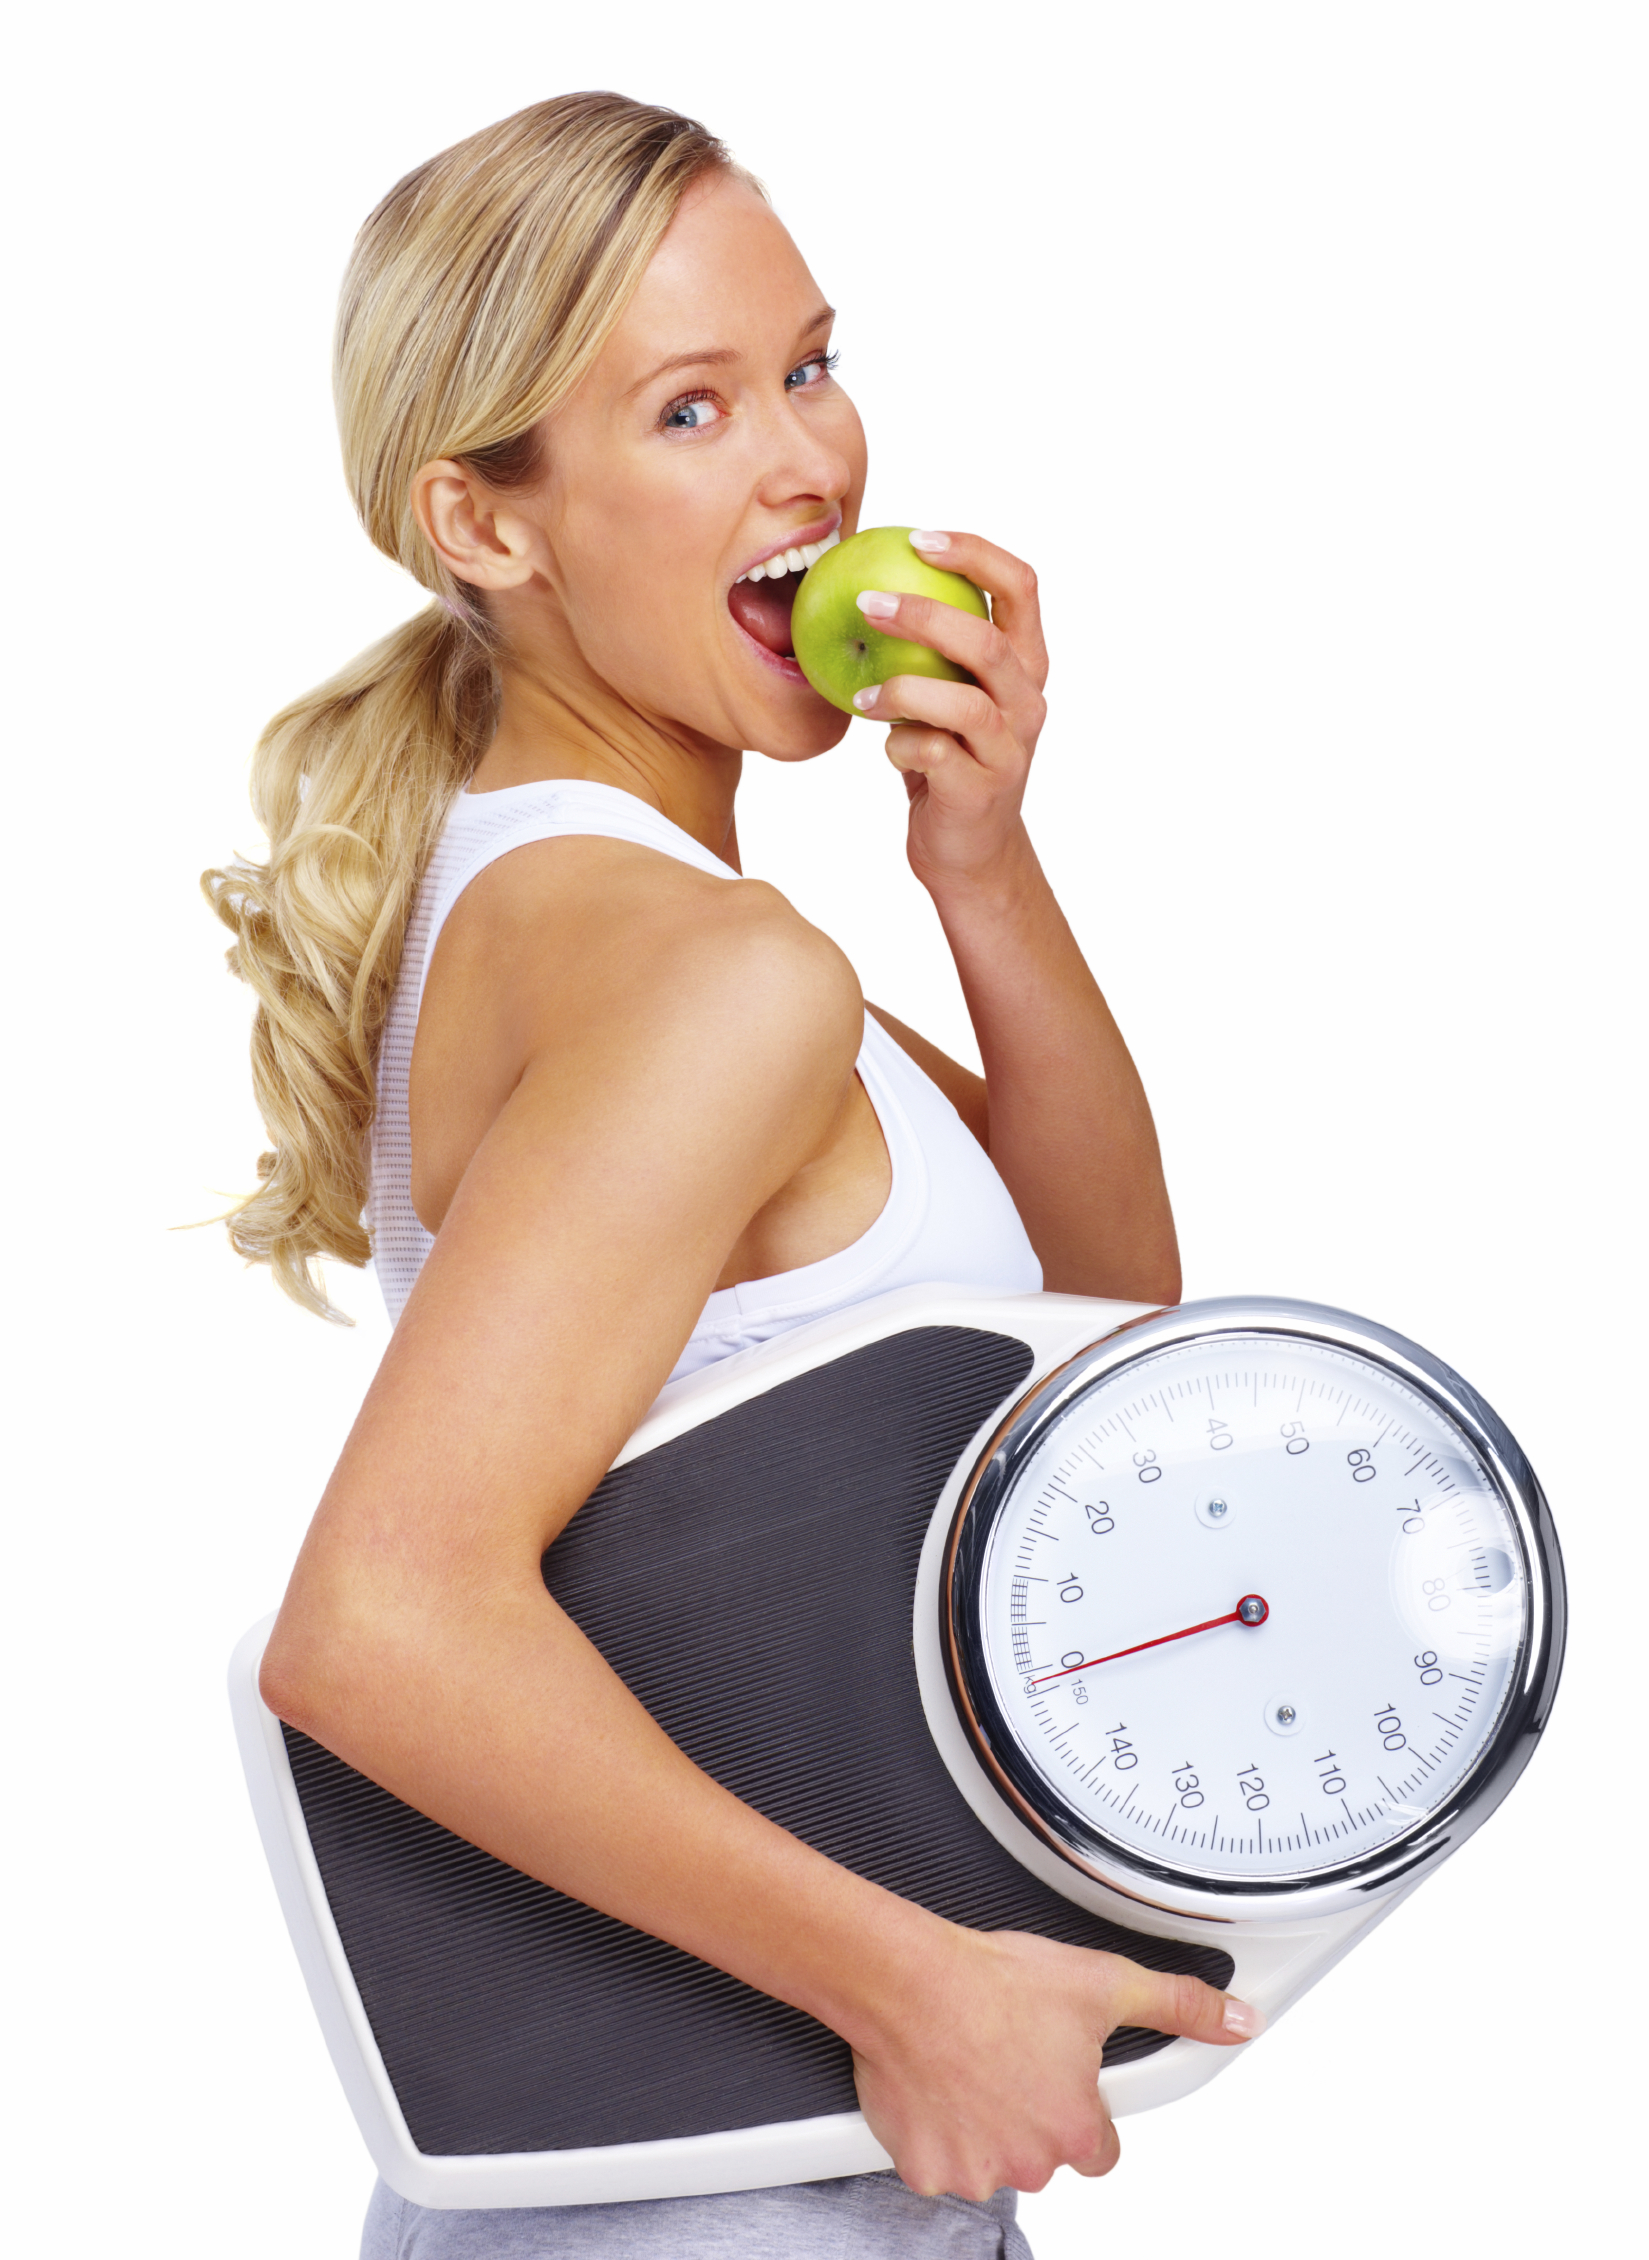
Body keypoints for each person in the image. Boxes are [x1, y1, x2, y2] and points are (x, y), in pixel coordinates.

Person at [204, 91, 1257, 2260]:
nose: (806, 460)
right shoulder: (704, 970)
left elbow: (1105, 1354)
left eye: (806, 363)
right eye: (689, 408)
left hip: (751, 2160)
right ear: (484, 523)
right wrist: (918, 1979)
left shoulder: (627, 922)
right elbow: (376, 1623)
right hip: (716, 2193)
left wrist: (978, 861)